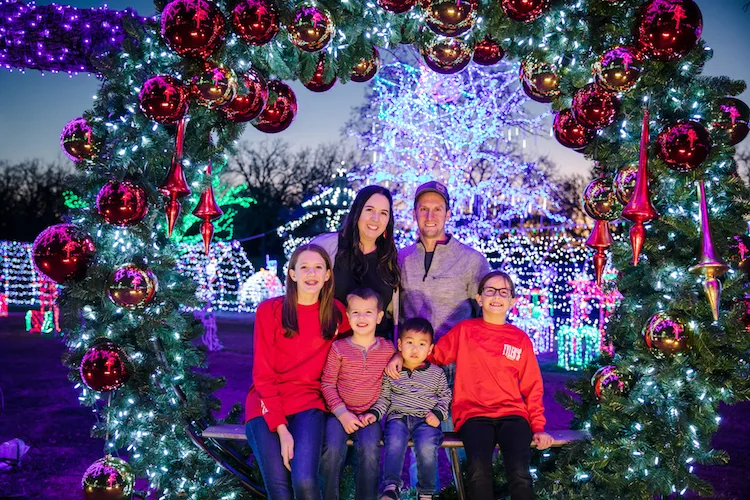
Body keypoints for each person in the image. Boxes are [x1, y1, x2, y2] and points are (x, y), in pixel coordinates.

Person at [386, 271, 554, 500]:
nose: (497, 296)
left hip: (513, 415)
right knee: (477, 473)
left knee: (520, 473)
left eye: (503, 292)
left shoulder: (520, 339)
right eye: (490, 291)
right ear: (479, 298)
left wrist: (538, 426)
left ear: (512, 301)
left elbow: (532, 386)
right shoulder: (465, 331)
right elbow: (432, 354)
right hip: (474, 415)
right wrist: (399, 355)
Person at [244, 244, 350, 500]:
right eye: (304, 267)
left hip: (308, 403)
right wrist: (281, 428)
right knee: (279, 490)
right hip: (266, 403)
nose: (311, 274)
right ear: (292, 274)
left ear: (327, 274)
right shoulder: (269, 311)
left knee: (304, 481)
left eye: (318, 268)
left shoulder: (336, 314)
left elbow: (355, 351)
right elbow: (263, 375)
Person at [320, 288, 396, 500]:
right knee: (332, 449)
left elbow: (389, 388)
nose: (362, 318)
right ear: (347, 316)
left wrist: (375, 413)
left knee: (371, 450)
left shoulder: (388, 350)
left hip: (369, 416)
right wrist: (342, 413)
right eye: (356, 313)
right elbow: (327, 383)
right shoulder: (339, 348)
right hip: (339, 414)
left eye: (368, 312)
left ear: (379, 317)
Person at [366, 318, 452, 500]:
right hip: (399, 418)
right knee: (394, 442)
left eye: (422, 344)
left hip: (426, 420)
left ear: (430, 349)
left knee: (427, 447)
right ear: (400, 344)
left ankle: (426, 492)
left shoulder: (437, 373)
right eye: (410, 342)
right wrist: (374, 413)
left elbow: (445, 396)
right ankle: (391, 487)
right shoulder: (393, 371)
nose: (415, 349)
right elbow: (384, 398)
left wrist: (438, 414)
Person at [398, 181, 490, 343]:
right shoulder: (400, 258)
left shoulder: (472, 260)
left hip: (455, 363)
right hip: (411, 362)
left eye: (437, 210)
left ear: (448, 214)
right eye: (423, 209)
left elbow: (486, 316)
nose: (429, 217)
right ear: (414, 214)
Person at [313, 185, 401, 340]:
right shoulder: (328, 247)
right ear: (357, 211)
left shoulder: (390, 259)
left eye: (383, 213)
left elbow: (393, 316)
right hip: (330, 349)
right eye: (369, 210)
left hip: (375, 355)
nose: (375, 218)